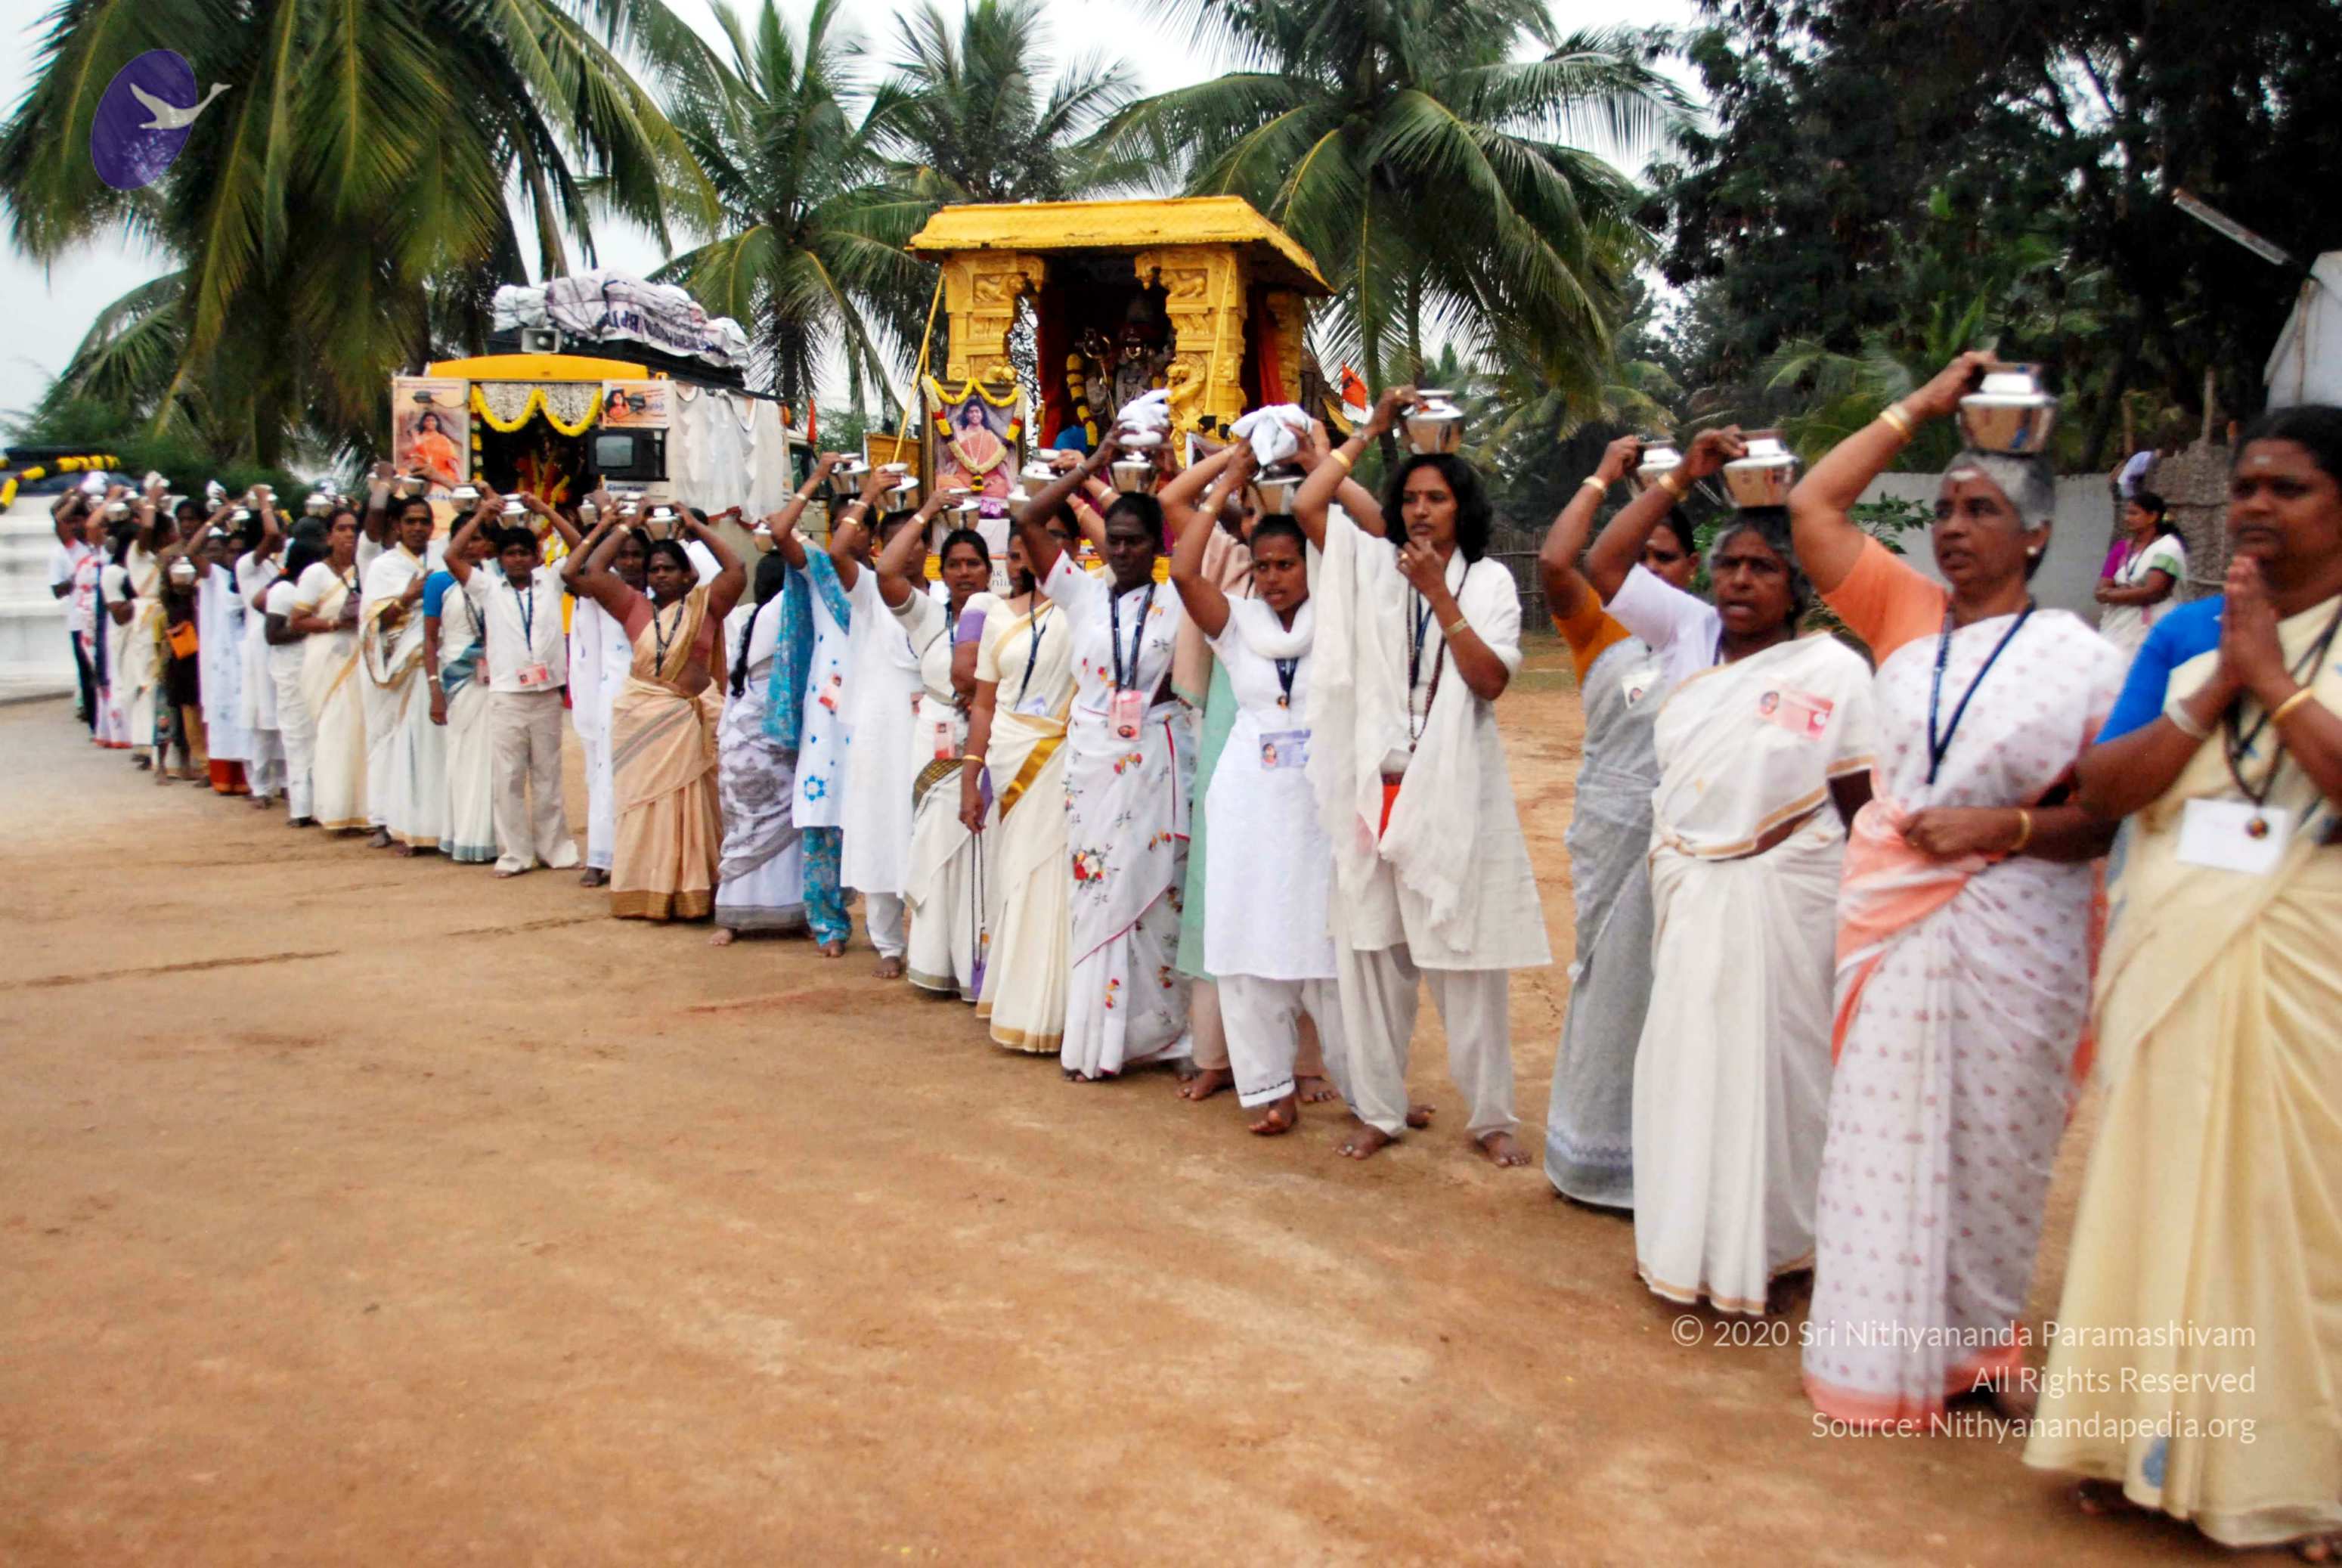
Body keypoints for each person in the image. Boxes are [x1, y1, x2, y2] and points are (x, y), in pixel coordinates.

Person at [2023, 406, 2342, 1554]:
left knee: (2293, 1214)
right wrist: (2213, 688)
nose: (2253, 504)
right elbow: (2106, 786)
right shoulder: (2185, 634)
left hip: (2307, 959)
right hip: (2173, 948)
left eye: (2287, 488)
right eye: (2245, 484)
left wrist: (2276, 681)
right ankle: (2130, 1443)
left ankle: (2304, 1479)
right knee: (2154, 1193)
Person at [1786, 352, 2126, 1424]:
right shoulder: (1905, 611)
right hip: (1894, 922)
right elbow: (1811, 504)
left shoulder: (2080, 659)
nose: (1952, 527)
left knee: (1997, 1143)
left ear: (2035, 534)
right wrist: (1925, 404)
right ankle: (1874, 1355)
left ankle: (1982, 1347)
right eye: (1942, 508)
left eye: (1981, 510)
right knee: (1880, 1139)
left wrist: (2000, 827)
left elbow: (2105, 815)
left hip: (2020, 926)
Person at [1589, 430, 1877, 1310]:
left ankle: (1777, 1244)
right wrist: (1679, 477)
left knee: (1778, 1073)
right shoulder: (1695, 655)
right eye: (1729, 566)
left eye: (1762, 568)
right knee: (1686, 1062)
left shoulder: (1832, 671)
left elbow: (1861, 806)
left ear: (1797, 584)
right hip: (1689, 894)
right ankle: (1684, 1243)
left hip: (1787, 905)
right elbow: (1600, 564)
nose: (1740, 581)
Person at [1292, 388, 1550, 1164]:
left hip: (1453, 790)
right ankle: (1378, 1109)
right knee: (1370, 958)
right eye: (1409, 499)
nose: (1420, 511)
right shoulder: (1372, 565)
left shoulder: (1489, 582)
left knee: (1468, 961)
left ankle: (1491, 1118)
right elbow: (1307, 503)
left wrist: (1438, 593)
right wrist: (1370, 430)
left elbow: (1488, 680)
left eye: (1436, 498)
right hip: (1372, 784)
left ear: (1461, 507)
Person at [1167, 444, 1347, 1134]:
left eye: (1287, 564)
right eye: (1263, 565)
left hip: (1320, 801)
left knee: (1328, 944)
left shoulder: (1339, 617)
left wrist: (1324, 460)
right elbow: (1183, 570)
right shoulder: (1236, 624)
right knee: (1250, 940)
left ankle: (1366, 1089)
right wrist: (1227, 483)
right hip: (1248, 801)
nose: (1273, 578)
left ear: (1311, 564)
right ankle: (1271, 1088)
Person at [1015, 441, 1196, 1083]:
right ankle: (1097, 1038)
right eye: (1113, 541)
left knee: (1159, 895)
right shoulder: (1081, 592)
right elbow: (1028, 520)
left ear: (1156, 546)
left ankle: (1163, 1035)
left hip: (1155, 758)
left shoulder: (1178, 598)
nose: (1121, 551)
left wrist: (1169, 472)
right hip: (1093, 761)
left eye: (1134, 541)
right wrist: (1088, 470)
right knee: (1096, 894)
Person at [1533, 434, 1683, 1210]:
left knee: (1681, 993)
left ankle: (1673, 1163)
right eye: (1640, 558)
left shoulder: (1713, 637)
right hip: (1612, 833)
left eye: (1667, 559)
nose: (1651, 572)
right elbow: (1558, 562)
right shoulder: (1598, 627)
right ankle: (1593, 1158)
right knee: (1611, 989)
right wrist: (1601, 476)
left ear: (1693, 568)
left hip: (1689, 840)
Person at [570, 506, 745, 919]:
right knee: (645, 808)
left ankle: (693, 891)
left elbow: (736, 568)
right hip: (643, 722)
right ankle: (647, 891)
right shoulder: (632, 607)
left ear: (688, 575)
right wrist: (623, 525)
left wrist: (697, 527)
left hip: (689, 724)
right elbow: (586, 570)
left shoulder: (706, 605)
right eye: (654, 569)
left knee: (693, 809)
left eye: (669, 568)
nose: (660, 575)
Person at [834, 480, 964, 977]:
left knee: (933, 825)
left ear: (927, 548)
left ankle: (938, 941)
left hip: (935, 724)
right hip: (884, 726)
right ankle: (888, 942)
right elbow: (838, 551)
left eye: (914, 542)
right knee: (883, 826)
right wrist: (869, 495)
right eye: (893, 543)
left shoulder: (945, 599)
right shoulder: (870, 592)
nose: (905, 552)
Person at [960, 520, 1080, 1053]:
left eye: (1051, 538)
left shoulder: (1086, 606)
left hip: (1064, 756)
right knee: (1014, 877)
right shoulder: (996, 615)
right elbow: (984, 704)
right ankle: (1016, 1002)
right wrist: (971, 776)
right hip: (1008, 759)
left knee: (1053, 879)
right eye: (1017, 549)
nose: (1030, 553)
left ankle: (1059, 1010)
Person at [444, 491, 585, 877]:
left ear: (536, 556)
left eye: (525, 552)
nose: (519, 559)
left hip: (546, 693)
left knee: (548, 776)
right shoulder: (488, 587)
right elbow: (452, 557)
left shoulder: (550, 581)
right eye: (511, 554)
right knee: (507, 778)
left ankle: (555, 849)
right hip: (507, 695)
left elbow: (580, 546)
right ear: (500, 558)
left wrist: (545, 510)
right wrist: (479, 516)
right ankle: (515, 854)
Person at [702, 496, 822, 943]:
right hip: (771, 739)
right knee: (786, 826)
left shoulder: (746, 617)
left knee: (745, 831)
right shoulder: (786, 613)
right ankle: (795, 911)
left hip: (740, 737)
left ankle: (734, 918)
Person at [903, 526, 1000, 999]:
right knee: (937, 849)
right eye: (955, 565)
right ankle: (933, 962)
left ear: (989, 570)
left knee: (983, 854)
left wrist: (984, 699)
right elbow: (886, 571)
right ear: (940, 572)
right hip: (936, 742)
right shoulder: (928, 617)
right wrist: (927, 511)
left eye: (973, 563)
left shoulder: (1006, 616)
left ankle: (976, 968)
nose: (965, 573)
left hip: (990, 742)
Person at [793, 455, 860, 956]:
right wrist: (817, 479)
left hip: (872, 709)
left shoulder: (885, 580)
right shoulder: (818, 572)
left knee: (878, 812)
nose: (850, 532)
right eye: (841, 524)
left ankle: (889, 928)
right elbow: (779, 532)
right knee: (822, 813)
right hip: (825, 714)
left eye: (860, 523)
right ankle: (828, 923)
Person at [568, 502, 651, 888]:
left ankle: (642, 856)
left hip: (653, 696)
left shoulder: (663, 589)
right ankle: (600, 856)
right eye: (624, 555)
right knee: (607, 775)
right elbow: (572, 571)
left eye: (637, 555)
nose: (630, 562)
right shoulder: (605, 591)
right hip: (614, 697)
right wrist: (616, 525)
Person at [285, 506, 375, 832]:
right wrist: (337, 622)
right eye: (342, 528)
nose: (349, 534)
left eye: (353, 528)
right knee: (336, 732)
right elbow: (297, 621)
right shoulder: (315, 574)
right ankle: (335, 810)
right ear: (328, 536)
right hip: (328, 658)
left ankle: (367, 810)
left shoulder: (367, 569)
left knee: (363, 732)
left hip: (363, 656)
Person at [359, 494, 441, 853]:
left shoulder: (442, 559)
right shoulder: (383, 566)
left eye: (424, 521)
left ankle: (429, 823)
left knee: (429, 746)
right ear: (397, 526)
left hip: (435, 663)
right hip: (396, 666)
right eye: (411, 521)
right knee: (388, 741)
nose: (418, 528)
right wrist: (407, 597)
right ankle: (384, 819)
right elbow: (374, 624)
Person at [423, 519, 499, 864]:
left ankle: (494, 836)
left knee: (495, 761)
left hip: (496, 680)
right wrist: (434, 689)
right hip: (458, 680)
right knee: (463, 758)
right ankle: (465, 835)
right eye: (463, 539)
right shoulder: (439, 582)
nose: (471, 546)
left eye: (477, 538)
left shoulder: (495, 578)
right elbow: (429, 639)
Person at [263, 529, 327, 826]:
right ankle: (301, 808)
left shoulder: (310, 591)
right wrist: (311, 626)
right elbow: (273, 634)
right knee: (297, 736)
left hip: (313, 668)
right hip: (291, 671)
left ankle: (320, 803)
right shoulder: (283, 591)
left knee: (316, 736)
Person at [193, 517, 254, 795]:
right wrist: (216, 519)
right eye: (231, 551)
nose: (235, 557)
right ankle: (225, 778)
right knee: (225, 718)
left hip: (250, 659)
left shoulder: (255, 577)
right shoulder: (216, 577)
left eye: (240, 552)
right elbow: (192, 552)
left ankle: (253, 781)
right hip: (224, 664)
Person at [2093, 488, 2187, 661]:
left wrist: (2112, 594)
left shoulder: (2168, 547)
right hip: (2118, 624)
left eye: (2134, 513)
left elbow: (2154, 592)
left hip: (2154, 625)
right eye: (2127, 513)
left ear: (2152, 516)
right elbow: (2100, 591)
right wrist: (2128, 592)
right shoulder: (2121, 548)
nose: (2127, 518)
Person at [234, 510, 287, 806]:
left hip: (278, 640)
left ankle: (284, 781)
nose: (283, 537)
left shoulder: (275, 566)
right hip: (259, 644)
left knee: (283, 712)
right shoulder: (247, 564)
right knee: (263, 716)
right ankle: (260, 785)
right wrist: (265, 503)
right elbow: (272, 534)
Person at [48, 491, 98, 732]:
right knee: (87, 673)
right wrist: (75, 498)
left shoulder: (100, 545)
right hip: (80, 621)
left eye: (79, 520)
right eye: (71, 521)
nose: (75, 526)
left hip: (104, 618)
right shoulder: (68, 550)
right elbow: (57, 591)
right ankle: (94, 722)